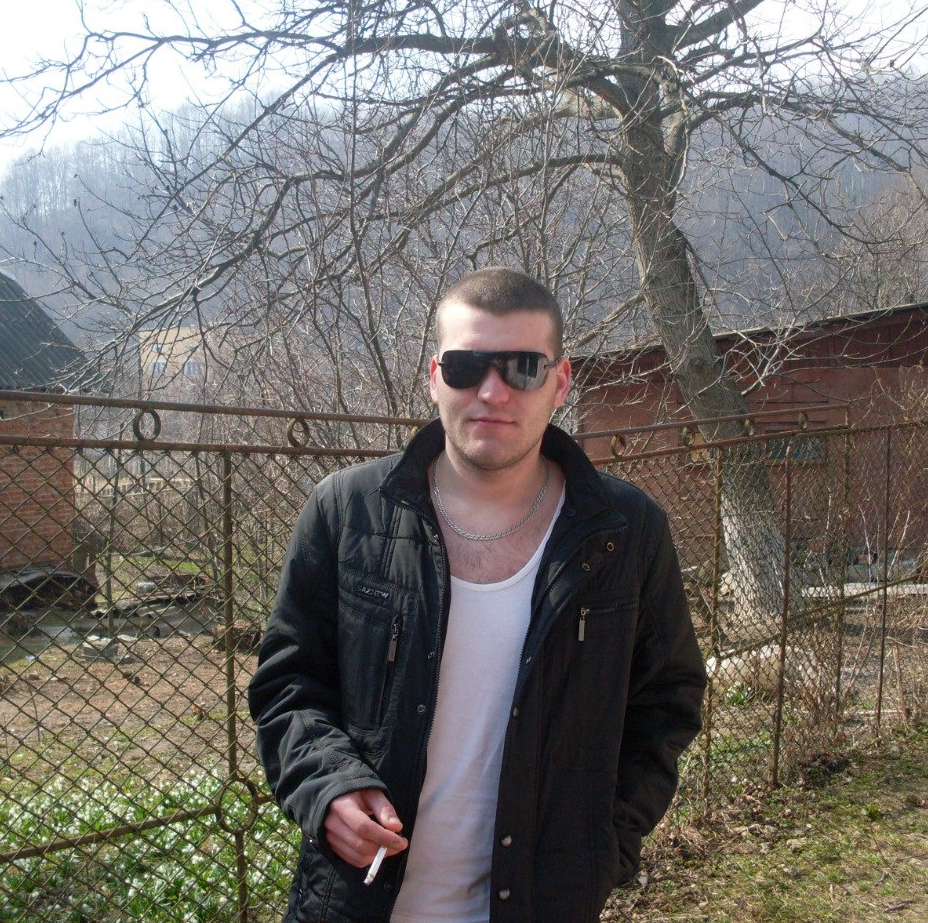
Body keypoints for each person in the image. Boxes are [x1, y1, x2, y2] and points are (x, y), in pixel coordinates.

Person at [248, 267, 706, 923]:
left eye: (523, 367)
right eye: (467, 367)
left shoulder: (623, 532)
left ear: (560, 383)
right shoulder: (347, 512)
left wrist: (603, 845)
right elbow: (288, 687)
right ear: (435, 377)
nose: (492, 391)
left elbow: (666, 701)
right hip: (355, 902)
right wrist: (329, 788)